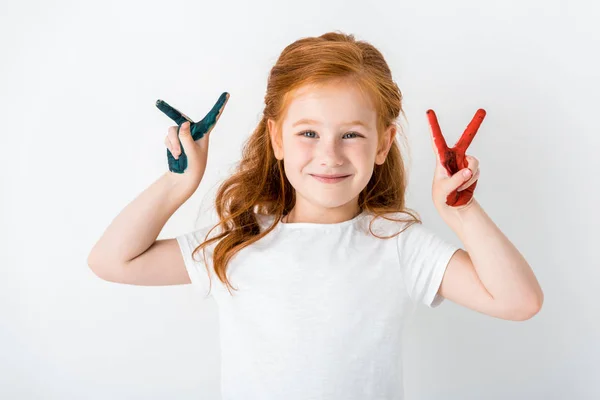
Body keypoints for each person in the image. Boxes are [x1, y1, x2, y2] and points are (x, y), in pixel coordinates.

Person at [88, 31, 544, 400]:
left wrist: (461, 214)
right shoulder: (237, 242)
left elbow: (519, 301)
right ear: (277, 139)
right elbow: (112, 261)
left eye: (351, 134)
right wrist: (178, 184)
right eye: (308, 132)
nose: (330, 155)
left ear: (383, 144)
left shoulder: (399, 243)